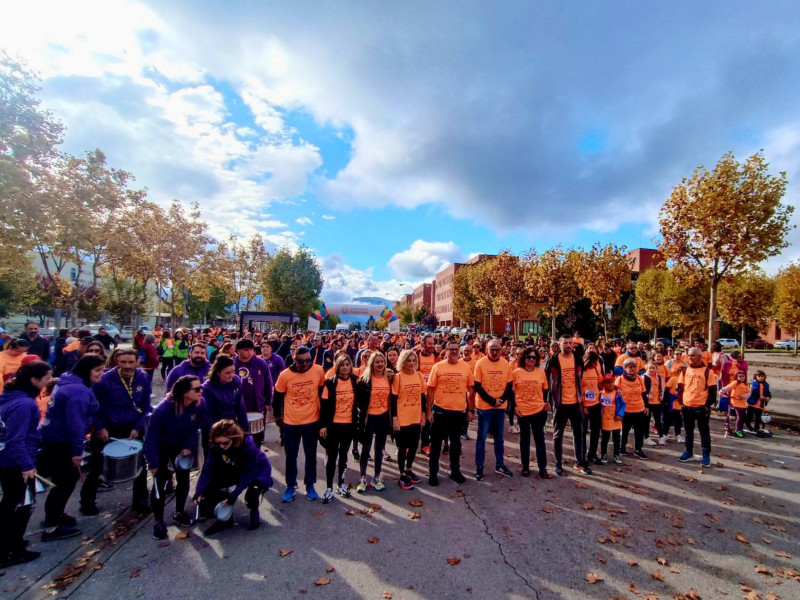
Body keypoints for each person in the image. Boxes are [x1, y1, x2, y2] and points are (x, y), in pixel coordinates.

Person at [38, 355, 104, 541]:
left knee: (63, 480)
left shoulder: (67, 380)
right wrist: (77, 452)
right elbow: (75, 424)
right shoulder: (78, 392)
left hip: (54, 437)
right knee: (65, 482)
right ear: (85, 371)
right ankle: (52, 526)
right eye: (97, 370)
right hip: (62, 441)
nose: (101, 374)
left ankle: (55, 514)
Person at [80, 349, 151, 516]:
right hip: (107, 428)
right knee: (98, 466)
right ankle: (87, 501)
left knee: (140, 465)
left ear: (138, 362)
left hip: (132, 427)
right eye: (123, 362)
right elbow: (93, 406)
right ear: (117, 361)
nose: (127, 366)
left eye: (130, 362)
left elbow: (145, 406)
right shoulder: (104, 380)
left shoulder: (143, 378)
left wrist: (137, 427)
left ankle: (140, 500)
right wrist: (100, 427)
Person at [0, 361, 52, 567]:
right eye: (46, 378)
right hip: (16, 462)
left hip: (7, 459)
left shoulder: (10, 397)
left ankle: (12, 542)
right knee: (21, 505)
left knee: (12, 503)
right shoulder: (24, 404)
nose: (49, 382)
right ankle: (10, 550)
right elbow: (15, 440)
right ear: (34, 380)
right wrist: (27, 465)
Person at [146, 375, 207, 540]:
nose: (201, 391)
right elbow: (151, 437)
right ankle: (158, 521)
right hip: (161, 447)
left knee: (184, 478)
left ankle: (179, 512)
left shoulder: (200, 405)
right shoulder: (163, 410)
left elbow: (195, 427)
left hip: (180, 446)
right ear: (185, 392)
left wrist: (187, 445)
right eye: (197, 389)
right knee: (159, 482)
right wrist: (153, 462)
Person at [193, 420, 273, 534]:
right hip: (234, 467)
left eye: (225, 443)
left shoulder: (247, 445)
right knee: (211, 485)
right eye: (218, 443)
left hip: (257, 469)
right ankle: (225, 519)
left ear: (233, 438)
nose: (221, 446)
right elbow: (207, 469)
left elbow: (248, 473)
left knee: (252, 494)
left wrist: (234, 495)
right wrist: (199, 491)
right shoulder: (216, 447)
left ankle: (254, 512)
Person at [273, 346, 326, 502]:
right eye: (301, 361)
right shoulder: (285, 375)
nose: (305, 364)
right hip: (291, 422)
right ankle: (290, 485)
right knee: (291, 456)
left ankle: (310, 485)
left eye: (308, 360)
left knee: (311, 456)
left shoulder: (318, 370)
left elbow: (323, 395)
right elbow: (277, 397)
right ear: (294, 359)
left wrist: (323, 420)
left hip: (312, 421)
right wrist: (277, 417)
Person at [426, 341, 474, 486]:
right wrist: (428, 410)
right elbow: (430, 389)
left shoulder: (465, 367)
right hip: (440, 411)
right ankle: (433, 473)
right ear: (446, 351)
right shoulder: (438, 367)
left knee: (456, 444)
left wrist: (471, 410)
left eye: (456, 349)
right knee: (435, 445)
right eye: (451, 349)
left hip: (458, 412)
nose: (453, 352)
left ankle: (455, 471)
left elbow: (471, 390)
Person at [545, 336, 591, 476]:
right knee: (558, 434)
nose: (568, 345)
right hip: (560, 403)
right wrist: (547, 400)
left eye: (570, 343)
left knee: (579, 433)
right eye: (565, 343)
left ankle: (580, 462)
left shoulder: (577, 358)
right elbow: (547, 381)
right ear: (559, 344)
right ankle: (558, 464)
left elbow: (580, 378)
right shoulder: (553, 360)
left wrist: (582, 400)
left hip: (576, 402)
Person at [473, 339, 514, 480]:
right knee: (481, 438)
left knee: (499, 438)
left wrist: (500, 400)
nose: (495, 352)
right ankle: (479, 467)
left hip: (500, 407)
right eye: (492, 349)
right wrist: (492, 401)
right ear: (487, 350)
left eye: (497, 349)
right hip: (485, 407)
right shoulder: (480, 363)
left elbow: (509, 385)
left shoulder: (505, 363)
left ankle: (500, 464)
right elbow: (477, 386)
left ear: (501, 350)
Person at [319, 355, 358, 503]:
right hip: (333, 425)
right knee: (332, 456)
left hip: (349, 424)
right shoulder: (330, 383)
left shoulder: (355, 381)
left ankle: (341, 484)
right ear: (337, 367)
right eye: (342, 365)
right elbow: (324, 405)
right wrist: (323, 425)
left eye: (348, 364)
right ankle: (329, 487)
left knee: (344, 455)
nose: (345, 367)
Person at [355, 352, 392, 493]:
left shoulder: (389, 378)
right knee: (366, 448)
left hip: (383, 417)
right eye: (377, 362)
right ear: (371, 363)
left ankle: (377, 477)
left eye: (382, 361)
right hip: (369, 418)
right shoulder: (365, 380)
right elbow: (358, 401)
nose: (380, 364)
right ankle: (363, 477)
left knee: (379, 449)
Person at [391, 350, 427, 490]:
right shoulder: (398, 377)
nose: (411, 363)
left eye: (413, 360)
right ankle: (401, 475)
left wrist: (423, 415)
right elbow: (393, 401)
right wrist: (394, 419)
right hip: (402, 418)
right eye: (408, 360)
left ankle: (409, 469)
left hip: (415, 417)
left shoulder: (418, 375)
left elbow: (422, 397)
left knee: (413, 446)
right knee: (402, 448)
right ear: (402, 362)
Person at [512, 349, 550, 478]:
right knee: (525, 440)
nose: (532, 360)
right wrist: (514, 408)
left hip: (538, 411)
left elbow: (545, 389)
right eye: (529, 357)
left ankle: (542, 468)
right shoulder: (516, 373)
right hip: (523, 411)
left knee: (540, 440)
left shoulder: (541, 373)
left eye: (534, 358)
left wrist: (545, 404)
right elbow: (511, 392)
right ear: (524, 358)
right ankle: (525, 467)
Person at [677, 348, 717, 467]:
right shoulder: (685, 371)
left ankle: (706, 455)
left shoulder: (708, 371)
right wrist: (682, 403)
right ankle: (688, 452)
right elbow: (680, 388)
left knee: (704, 432)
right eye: (689, 355)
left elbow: (712, 390)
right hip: (687, 406)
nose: (690, 358)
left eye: (693, 356)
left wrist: (707, 406)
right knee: (688, 432)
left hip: (701, 407)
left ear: (700, 357)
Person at [233, 339, 273, 447]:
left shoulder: (261, 363)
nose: (249, 352)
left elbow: (268, 384)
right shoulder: (232, 364)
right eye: (246, 350)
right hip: (237, 408)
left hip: (257, 407)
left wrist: (267, 402)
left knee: (257, 440)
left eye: (251, 349)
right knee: (239, 440)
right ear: (238, 350)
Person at [202, 355, 247, 429]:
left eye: (233, 371)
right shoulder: (207, 388)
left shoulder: (236, 380)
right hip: (216, 425)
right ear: (218, 372)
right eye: (227, 373)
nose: (231, 375)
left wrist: (244, 428)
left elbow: (240, 406)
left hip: (231, 423)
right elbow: (206, 415)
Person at [617, 358, 649, 459]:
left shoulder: (640, 378)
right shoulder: (620, 379)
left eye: (634, 367)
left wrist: (647, 406)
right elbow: (616, 396)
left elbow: (644, 394)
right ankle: (622, 448)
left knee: (639, 431)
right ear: (625, 368)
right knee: (625, 430)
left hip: (639, 408)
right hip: (626, 410)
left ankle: (638, 449)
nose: (632, 369)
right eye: (630, 367)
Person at [416, 335, 438, 456]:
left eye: (433, 343)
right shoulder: (416, 354)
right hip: (417, 393)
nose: (432, 346)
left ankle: (425, 444)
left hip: (431, 392)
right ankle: (410, 445)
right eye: (429, 343)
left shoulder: (435, 356)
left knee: (428, 420)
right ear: (423, 344)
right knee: (414, 419)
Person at [581, 349, 604, 466]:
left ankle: (592, 454)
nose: (596, 364)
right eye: (594, 362)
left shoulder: (595, 369)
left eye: (597, 362)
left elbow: (601, 382)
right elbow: (578, 390)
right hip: (585, 405)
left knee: (595, 430)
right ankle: (582, 454)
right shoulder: (581, 371)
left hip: (596, 403)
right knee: (583, 431)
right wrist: (583, 405)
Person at [598, 374, 626, 465]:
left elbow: (623, 405)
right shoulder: (601, 394)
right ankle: (604, 454)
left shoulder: (617, 394)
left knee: (617, 438)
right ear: (603, 384)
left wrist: (620, 414)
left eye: (612, 382)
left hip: (616, 420)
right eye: (608, 383)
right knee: (605, 438)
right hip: (605, 420)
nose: (610, 384)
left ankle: (616, 454)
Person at [719, 371, 750, 439]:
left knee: (743, 416)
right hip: (735, 402)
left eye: (743, 376)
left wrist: (744, 396)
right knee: (739, 416)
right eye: (740, 376)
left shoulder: (746, 384)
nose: (742, 378)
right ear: (737, 377)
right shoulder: (735, 383)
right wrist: (721, 392)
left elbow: (749, 392)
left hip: (743, 403)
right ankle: (737, 430)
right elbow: (727, 388)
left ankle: (740, 428)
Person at [643, 361, 666, 446]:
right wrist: (647, 395)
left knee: (658, 420)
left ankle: (661, 436)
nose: (651, 370)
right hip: (648, 403)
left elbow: (662, 388)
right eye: (650, 368)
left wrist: (661, 396)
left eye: (653, 368)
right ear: (647, 368)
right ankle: (646, 437)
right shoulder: (644, 377)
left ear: (656, 369)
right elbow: (642, 389)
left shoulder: (659, 377)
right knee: (646, 420)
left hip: (657, 402)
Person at [746, 371, 771, 436]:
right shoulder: (753, 383)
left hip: (760, 405)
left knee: (758, 418)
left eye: (762, 376)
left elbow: (768, 392)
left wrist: (768, 397)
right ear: (756, 377)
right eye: (759, 376)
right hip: (753, 403)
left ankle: (756, 428)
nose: (761, 378)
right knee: (749, 416)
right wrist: (759, 396)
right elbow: (753, 392)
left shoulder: (766, 384)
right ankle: (748, 425)